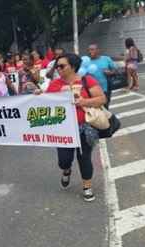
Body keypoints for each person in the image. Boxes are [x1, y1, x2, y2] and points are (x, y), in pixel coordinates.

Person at [45, 53, 107, 202]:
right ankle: (66, 170)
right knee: (64, 160)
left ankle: (87, 186)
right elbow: (45, 102)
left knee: (84, 157)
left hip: (85, 128)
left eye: (62, 66)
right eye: (57, 66)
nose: (58, 69)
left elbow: (102, 99)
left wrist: (83, 102)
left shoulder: (87, 80)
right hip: (63, 129)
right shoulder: (55, 85)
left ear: (73, 66)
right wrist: (37, 95)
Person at [85, 43, 117, 108]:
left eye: (92, 50)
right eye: (88, 50)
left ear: (98, 50)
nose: (89, 52)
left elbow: (115, 70)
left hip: (105, 89)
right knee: (94, 109)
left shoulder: (106, 59)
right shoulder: (86, 62)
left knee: (105, 107)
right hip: (91, 90)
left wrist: (110, 72)